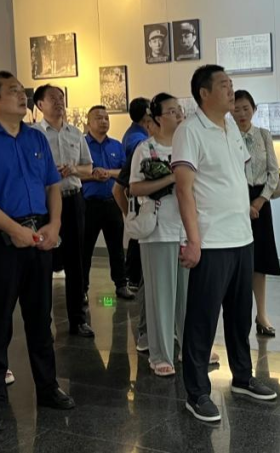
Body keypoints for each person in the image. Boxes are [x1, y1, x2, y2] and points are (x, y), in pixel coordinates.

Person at [0, 71, 75, 433]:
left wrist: (54, 225)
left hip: (39, 234)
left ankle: (47, 386)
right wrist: (14, 230)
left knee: (41, 318)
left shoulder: (35, 137)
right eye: (12, 91)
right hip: (0, 240)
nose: (22, 96)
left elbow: (52, 185)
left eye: (22, 91)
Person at [173, 65, 277, 423]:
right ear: (204, 93)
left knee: (239, 315)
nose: (231, 90)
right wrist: (193, 240)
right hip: (211, 240)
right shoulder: (190, 131)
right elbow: (183, 189)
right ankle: (197, 393)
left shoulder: (231, 126)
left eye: (232, 84)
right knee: (202, 319)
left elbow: (235, 177)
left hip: (242, 237)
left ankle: (243, 378)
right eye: (223, 85)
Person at [130, 93, 187, 376]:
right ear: (157, 118)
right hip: (158, 229)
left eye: (180, 110)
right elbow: (134, 188)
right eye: (172, 111)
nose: (179, 115)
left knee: (188, 296)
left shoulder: (188, 146)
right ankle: (160, 354)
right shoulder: (145, 149)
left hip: (188, 229)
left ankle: (190, 347)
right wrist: (171, 178)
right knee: (161, 297)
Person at [34, 84, 94, 336]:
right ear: (40, 105)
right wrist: (48, 174)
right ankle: (42, 324)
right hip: (44, 203)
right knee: (42, 262)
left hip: (73, 200)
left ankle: (78, 319)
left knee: (76, 261)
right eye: (53, 98)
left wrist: (74, 170)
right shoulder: (33, 134)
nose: (59, 101)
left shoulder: (75, 133)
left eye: (61, 97)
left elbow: (89, 168)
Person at [232, 90, 280, 337]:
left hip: (261, 201)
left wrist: (259, 202)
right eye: (236, 109)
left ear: (254, 108)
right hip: (234, 202)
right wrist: (244, 205)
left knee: (259, 262)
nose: (242, 113)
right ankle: (238, 315)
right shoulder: (227, 137)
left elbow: (274, 172)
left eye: (246, 108)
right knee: (238, 261)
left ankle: (262, 314)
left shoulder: (264, 135)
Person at [81, 105, 133, 300]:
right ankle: (82, 289)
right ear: (88, 122)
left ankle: (121, 285)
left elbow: (125, 172)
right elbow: (75, 173)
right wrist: (93, 175)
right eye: (98, 118)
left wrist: (107, 173)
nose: (103, 121)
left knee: (116, 248)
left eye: (106, 118)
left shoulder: (116, 145)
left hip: (112, 203)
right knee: (85, 250)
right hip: (88, 204)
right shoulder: (81, 145)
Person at [122, 97, 152, 292]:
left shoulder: (135, 134)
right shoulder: (139, 142)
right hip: (140, 196)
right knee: (139, 235)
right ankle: (133, 279)